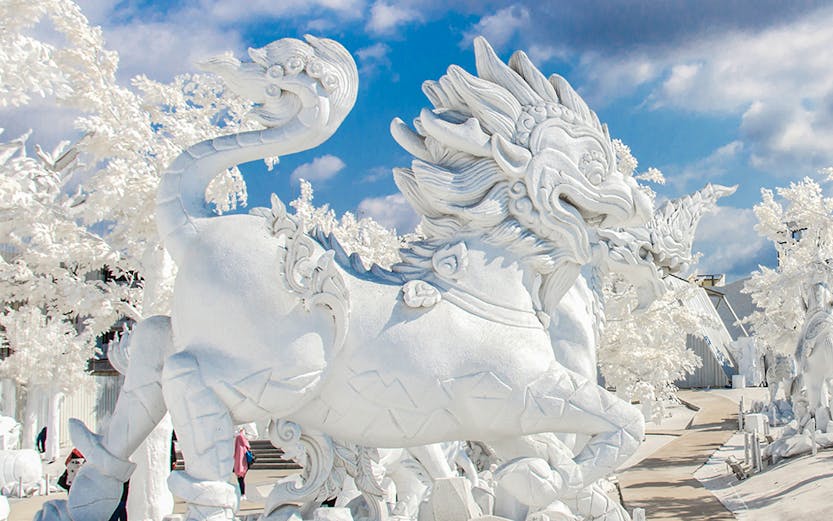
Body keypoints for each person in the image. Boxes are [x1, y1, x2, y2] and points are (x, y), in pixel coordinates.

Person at [232, 428, 251, 500]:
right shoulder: (245, 444)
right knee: (241, 479)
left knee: (240, 479)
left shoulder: (238, 441)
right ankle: (242, 493)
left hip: (240, 464)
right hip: (245, 463)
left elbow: (235, 454)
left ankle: (242, 494)